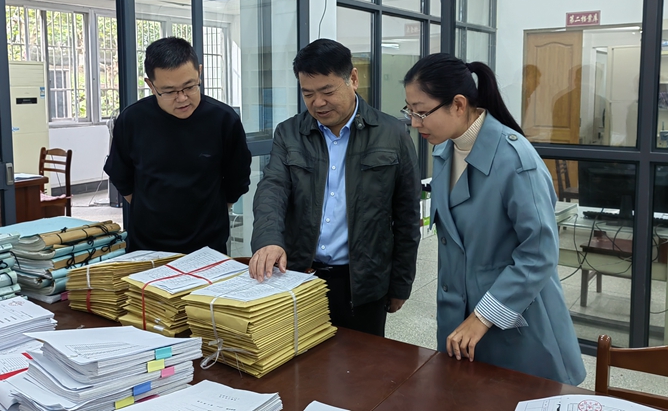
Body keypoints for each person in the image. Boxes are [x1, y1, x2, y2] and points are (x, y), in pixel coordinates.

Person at [403, 54, 585, 385]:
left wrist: (483, 316)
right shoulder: (445, 151)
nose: (415, 123)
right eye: (410, 111)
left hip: (516, 323)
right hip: (460, 322)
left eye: (421, 112)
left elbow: (539, 253)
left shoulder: (515, 159)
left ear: (458, 105)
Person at [249, 38, 420, 337]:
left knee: (362, 361)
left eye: (327, 91)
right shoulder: (289, 133)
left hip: (363, 282)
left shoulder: (393, 134)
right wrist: (269, 240)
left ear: (352, 78)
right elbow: (272, 190)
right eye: (308, 93)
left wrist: (400, 284)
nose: (318, 102)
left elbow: (406, 217)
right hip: (300, 276)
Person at [104, 37, 251, 254]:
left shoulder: (223, 120)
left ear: (199, 72)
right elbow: (121, 177)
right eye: (169, 91)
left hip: (208, 248)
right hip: (147, 248)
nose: (182, 98)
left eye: (189, 86)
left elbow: (237, 180)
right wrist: (150, 210)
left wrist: (212, 211)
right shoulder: (132, 120)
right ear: (151, 85)